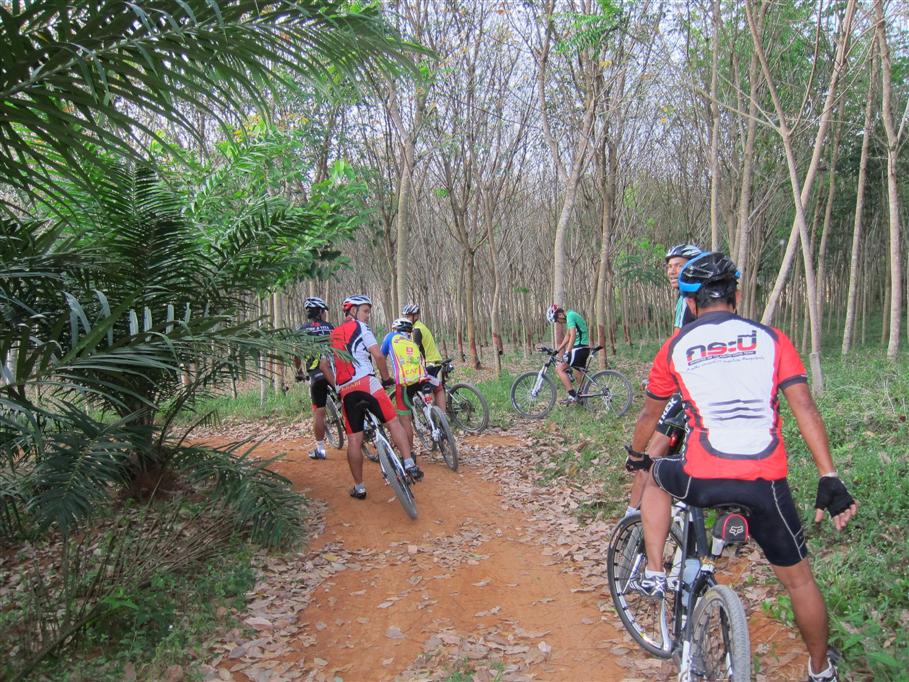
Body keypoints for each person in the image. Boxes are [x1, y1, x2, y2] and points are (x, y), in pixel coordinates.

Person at [624, 252, 857, 682]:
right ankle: (821, 670)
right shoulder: (771, 339)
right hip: (764, 482)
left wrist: (639, 455)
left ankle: (654, 571)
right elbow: (805, 407)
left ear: (689, 303)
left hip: (701, 476)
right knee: (800, 582)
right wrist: (829, 476)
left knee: (655, 474)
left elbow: (649, 415)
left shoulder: (676, 347)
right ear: (738, 294)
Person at [625, 244, 703, 516]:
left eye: (678, 265)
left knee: (651, 452)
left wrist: (662, 379)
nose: (671, 271)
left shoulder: (687, 299)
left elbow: (676, 343)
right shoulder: (707, 298)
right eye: (669, 266)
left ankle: (632, 517)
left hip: (688, 389)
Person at [323, 295, 423, 500]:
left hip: (346, 391)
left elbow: (324, 365)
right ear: (353, 311)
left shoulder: (332, 335)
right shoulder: (361, 327)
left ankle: (359, 488)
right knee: (393, 422)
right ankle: (409, 463)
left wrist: (338, 387)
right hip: (367, 383)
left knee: (354, 439)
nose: (368, 315)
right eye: (365, 311)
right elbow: (378, 355)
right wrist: (385, 378)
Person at [380, 317, 438, 449]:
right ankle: (435, 419)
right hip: (422, 378)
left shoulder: (390, 337)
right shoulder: (411, 342)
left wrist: (385, 379)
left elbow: (381, 357)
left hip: (405, 383)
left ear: (395, 329)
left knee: (405, 419)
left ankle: (410, 452)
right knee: (434, 392)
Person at [293, 296, 334, 460]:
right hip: (335, 372)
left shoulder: (302, 330)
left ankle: (320, 449)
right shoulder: (330, 327)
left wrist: (299, 372)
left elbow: (296, 354)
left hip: (316, 374)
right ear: (321, 312)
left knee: (319, 412)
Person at [401, 303, 446, 411]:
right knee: (435, 388)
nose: (406, 318)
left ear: (415, 316)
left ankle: (438, 416)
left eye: (408, 316)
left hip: (429, 363)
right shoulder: (420, 326)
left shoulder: (416, 330)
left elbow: (414, 351)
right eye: (405, 316)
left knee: (430, 389)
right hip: (434, 361)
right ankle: (440, 415)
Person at [546, 304, 590, 404]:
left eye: (557, 320)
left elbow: (573, 335)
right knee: (577, 374)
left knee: (559, 369)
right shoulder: (571, 315)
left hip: (579, 348)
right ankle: (582, 399)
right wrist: (558, 350)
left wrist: (567, 351)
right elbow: (567, 336)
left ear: (560, 315)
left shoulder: (570, 316)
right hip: (583, 348)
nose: (558, 323)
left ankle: (572, 395)